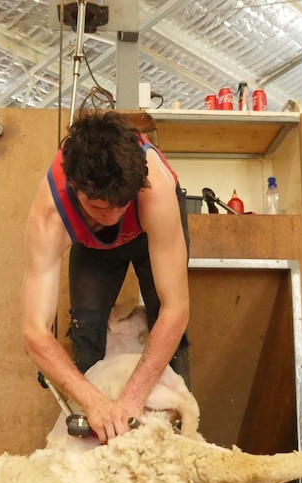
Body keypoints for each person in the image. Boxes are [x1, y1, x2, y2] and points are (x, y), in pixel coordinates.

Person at [22, 110, 191, 444]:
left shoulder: (153, 190)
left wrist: (130, 401)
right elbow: (34, 332)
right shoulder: (51, 216)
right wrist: (95, 402)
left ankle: (177, 442)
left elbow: (176, 309)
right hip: (90, 241)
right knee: (86, 331)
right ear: (74, 185)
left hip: (148, 227)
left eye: (119, 206)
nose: (112, 216)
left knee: (167, 327)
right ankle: (95, 444)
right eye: (100, 207)